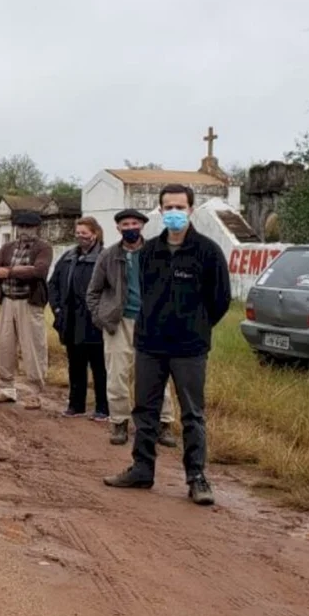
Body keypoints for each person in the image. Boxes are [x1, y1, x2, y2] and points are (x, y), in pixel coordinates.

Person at [104, 185, 231, 506]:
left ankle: (196, 477)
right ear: (160, 211)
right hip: (150, 344)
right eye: (168, 207)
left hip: (190, 348)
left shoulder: (208, 252)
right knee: (144, 411)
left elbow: (220, 300)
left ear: (191, 210)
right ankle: (142, 469)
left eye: (180, 207)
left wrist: (196, 325)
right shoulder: (148, 253)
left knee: (192, 415)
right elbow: (145, 294)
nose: (174, 212)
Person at [86, 208, 176, 447]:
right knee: (117, 374)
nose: (130, 228)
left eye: (134, 224)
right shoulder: (108, 256)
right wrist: (101, 318)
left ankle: (164, 423)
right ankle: (119, 422)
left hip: (152, 322)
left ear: (142, 226)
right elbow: (93, 292)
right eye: (125, 225)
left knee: (158, 374)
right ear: (118, 228)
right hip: (118, 322)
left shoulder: (157, 253)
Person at [0, 209, 53, 409]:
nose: (25, 230)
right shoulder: (7, 247)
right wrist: (19, 271)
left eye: (29, 227)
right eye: (21, 226)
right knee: (4, 345)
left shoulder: (43, 247)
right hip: (7, 300)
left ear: (37, 228)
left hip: (29, 302)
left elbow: (39, 271)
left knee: (33, 347)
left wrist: (9, 271)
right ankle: (7, 388)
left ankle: (35, 393)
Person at [49, 217, 109, 420]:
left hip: (95, 322)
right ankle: (76, 405)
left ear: (95, 234)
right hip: (70, 320)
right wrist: (57, 309)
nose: (80, 236)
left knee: (99, 366)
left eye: (84, 232)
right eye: (78, 232)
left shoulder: (104, 258)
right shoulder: (68, 257)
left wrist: (102, 314)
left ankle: (103, 408)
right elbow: (53, 284)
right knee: (75, 364)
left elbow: (112, 289)